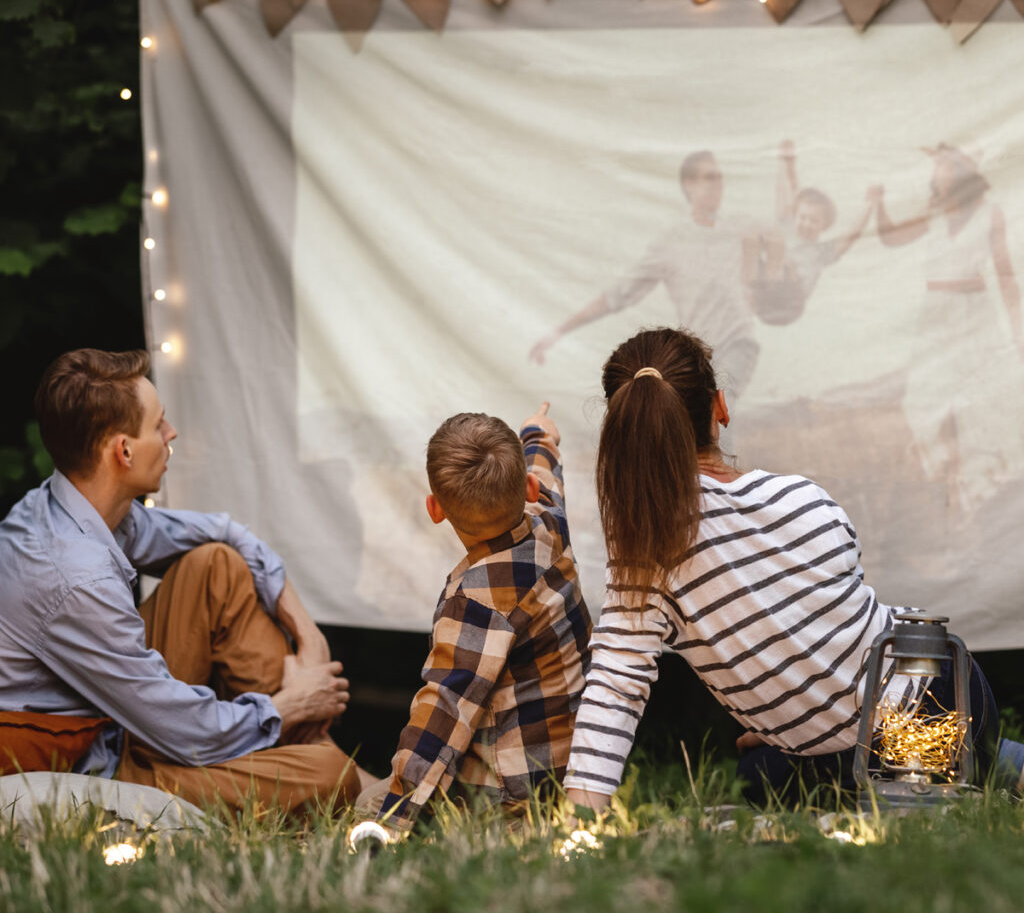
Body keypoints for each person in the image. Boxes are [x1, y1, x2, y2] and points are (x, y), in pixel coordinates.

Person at [562, 328, 998, 809]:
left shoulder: (648, 553)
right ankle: (990, 760)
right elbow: (828, 630)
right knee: (760, 771)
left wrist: (581, 816)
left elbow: (615, 683)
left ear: (626, 432)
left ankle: (970, 769)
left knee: (790, 777)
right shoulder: (804, 497)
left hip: (897, 745)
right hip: (950, 690)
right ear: (720, 408)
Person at [0, 348, 376, 814]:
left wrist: (308, 634)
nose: (171, 433)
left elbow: (226, 533)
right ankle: (344, 774)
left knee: (214, 565)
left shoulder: (76, 506)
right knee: (327, 779)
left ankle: (333, 760)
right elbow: (180, 729)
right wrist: (287, 706)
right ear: (123, 451)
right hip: (93, 762)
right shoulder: (74, 578)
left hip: (128, 716)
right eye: (159, 425)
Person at [359, 403, 591, 833]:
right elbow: (545, 471)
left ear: (435, 509)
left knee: (364, 804)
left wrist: (392, 818)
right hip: (579, 772)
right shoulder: (550, 521)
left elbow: (444, 714)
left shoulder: (474, 604)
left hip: (515, 801)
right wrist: (539, 434)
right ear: (529, 487)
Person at [529, 151, 760, 399]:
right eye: (709, 178)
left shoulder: (738, 229)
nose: (718, 185)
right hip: (699, 353)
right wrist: (560, 331)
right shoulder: (671, 243)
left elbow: (768, 258)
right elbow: (618, 295)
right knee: (702, 424)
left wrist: (751, 269)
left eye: (719, 178)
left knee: (723, 412)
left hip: (737, 342)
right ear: (689, 185)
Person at [877, 143, 1024, 511]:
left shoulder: (989, 213)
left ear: (960, 175)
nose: (937, 176)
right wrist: (878, 203)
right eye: (935, 171)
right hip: (937, 311)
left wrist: (1018, 326)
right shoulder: (934, 212)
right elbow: (891, 238)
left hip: (975, 311)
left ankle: (977, 488)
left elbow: (1005, 273)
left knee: (978, 397)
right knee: (926, 396)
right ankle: (947, 479)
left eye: (944, 169)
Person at [741, 140, 880, 326]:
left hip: (789, 307)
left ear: (824, 226)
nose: (806, 223)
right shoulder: (786, 228)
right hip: (765, 298)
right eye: (803, 217)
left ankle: (768, 286)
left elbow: (851, 236)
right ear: (796, 215)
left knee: (777, 259)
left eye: (814, 221)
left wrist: (870, 205)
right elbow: (785, 193)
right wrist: (786, 163)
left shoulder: (821, 253)